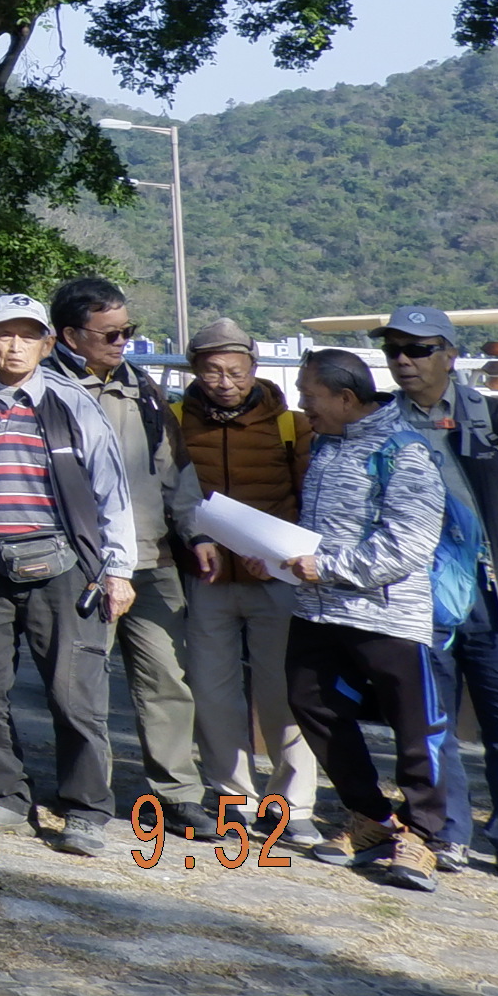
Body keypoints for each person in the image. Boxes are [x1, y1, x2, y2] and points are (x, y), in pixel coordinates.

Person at [0, 295, 139, 857]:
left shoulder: (71, 400)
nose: (15, 346)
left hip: (64, 562)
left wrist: (119, 569)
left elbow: (111, 489)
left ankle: (85, 809)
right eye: (4, 333)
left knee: (75, 694)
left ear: (47, 343)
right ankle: (4, 796)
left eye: (27, 335)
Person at [377, 301, 498, 881]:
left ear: (450, 356)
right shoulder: (381, 422)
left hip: (494, 598)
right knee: (430, 724)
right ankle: (447, 832)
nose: (404, 360)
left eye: (418, 349)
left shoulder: (495, 421)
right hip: (417, 600)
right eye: (394, 350)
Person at [281, 349, 452, 890]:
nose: (303, 405)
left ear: (346, 398)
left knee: (415, 728)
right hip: (317, 610)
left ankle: (423, 836)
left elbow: (410, 543)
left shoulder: (404, 451)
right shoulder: (326, 444)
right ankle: (372, 819)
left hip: (388, 617)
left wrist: (328, 568)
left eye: (309, 396)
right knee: (310, 702)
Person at [43, 277, 206, 835]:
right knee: (81, 684)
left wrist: (196, 535)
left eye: (128, 331)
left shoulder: (142, 388)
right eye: (110, 333)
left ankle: (178, 794)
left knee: (167, 678)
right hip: (81, 562)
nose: (123, 342)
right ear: (70, 335)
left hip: (151, 558)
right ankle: (87, 794)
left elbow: (175, 470)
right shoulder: (46, 388)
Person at [174, 315, 322, 842]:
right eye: (212, 371)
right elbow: (170, 494)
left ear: (254, 369)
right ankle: (231, 795)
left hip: (277, 578)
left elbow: (311, 500)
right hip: (207, 577)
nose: (225, 382)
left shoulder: (291, 425)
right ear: (194, 370)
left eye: (236, 371)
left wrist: (282, 558)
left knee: (282, 691)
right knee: (212, 692)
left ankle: (293, 804)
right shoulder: (173, 421)